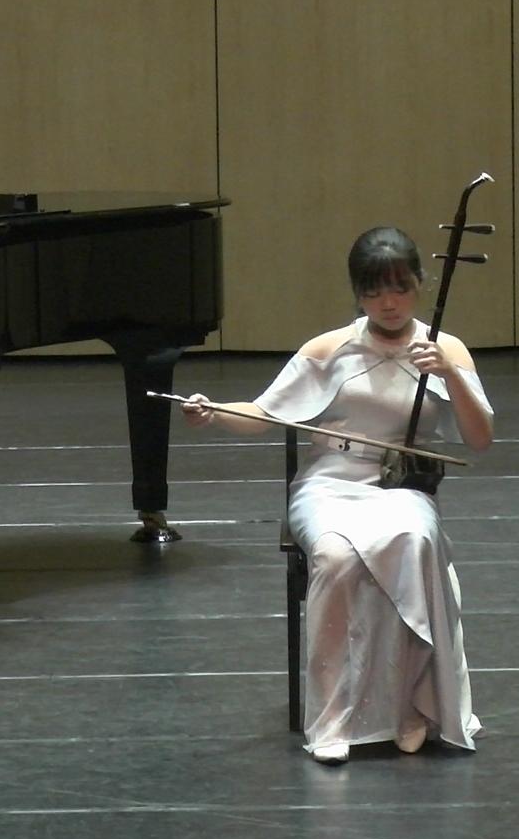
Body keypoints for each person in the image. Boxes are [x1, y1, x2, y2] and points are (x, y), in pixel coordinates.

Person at [183, 226, 493, 763]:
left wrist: (450, 375)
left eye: (399, 288)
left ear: (419, 284)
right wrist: (213, 411)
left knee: (414, 541)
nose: (388, 303)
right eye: (373, 292)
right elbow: (265, 413)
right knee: (334, 555)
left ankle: (412, 708)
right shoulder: (329, 349)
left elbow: (480, 437)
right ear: (357, 293)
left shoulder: (445, 349)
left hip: (399, 486)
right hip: (328, 483)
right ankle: (334, 718)